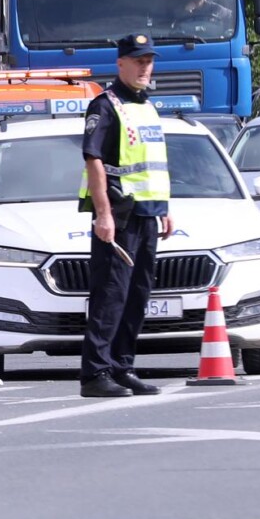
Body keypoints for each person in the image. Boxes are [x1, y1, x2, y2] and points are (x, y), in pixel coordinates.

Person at [76, 34, 173, 398]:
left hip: (147, 215)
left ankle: (122, 366)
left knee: (138, 295)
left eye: (148, 60)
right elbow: (94, 160)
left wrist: (165, 208)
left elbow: (152, 165)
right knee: (111, 294)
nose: (145, 67)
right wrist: (103, 215)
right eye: (138, 61)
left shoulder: (147, 106)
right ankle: (95, 373)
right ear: (120, 64)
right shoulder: (106, 105)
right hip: (119, 215)